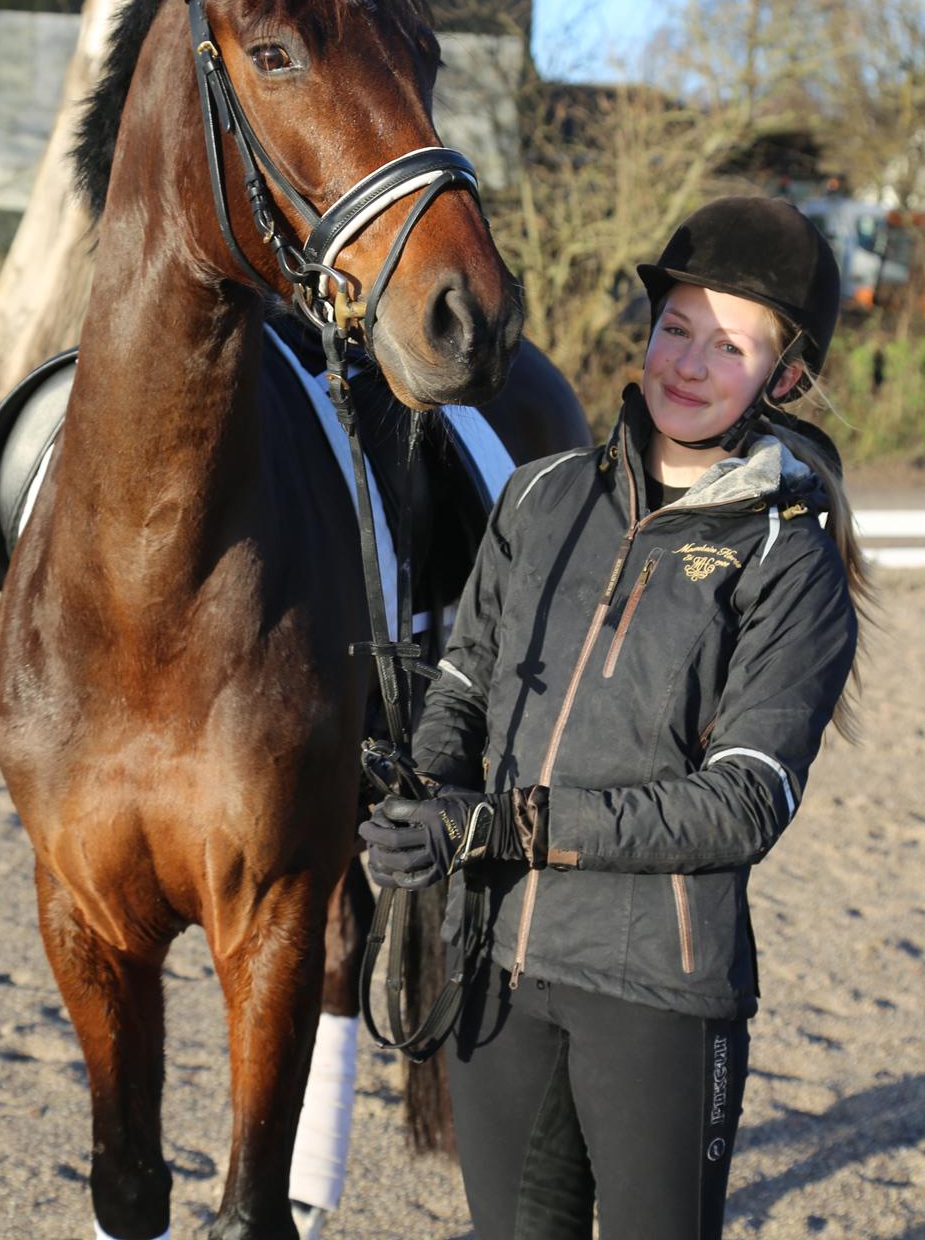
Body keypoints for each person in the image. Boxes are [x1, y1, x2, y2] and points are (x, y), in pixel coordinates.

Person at [360, 196, 867, 1240]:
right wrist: (423, 789)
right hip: (495, 963)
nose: (685, 362)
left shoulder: (787, 559)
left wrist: (502, 825)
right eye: (674, 328)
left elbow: (739, 802)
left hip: (657, 995)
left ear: (781, 376)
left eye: (726, 345)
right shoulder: (541, 496)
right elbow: (467, 676)